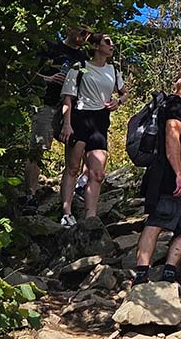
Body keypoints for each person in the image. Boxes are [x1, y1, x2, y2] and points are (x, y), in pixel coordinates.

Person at [132, 70, 181, 296]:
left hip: (179, 177)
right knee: (157, 221)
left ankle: (168, 275)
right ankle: (141, 276)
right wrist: (178, 173)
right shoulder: (175, 105)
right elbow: (171, 137)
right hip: (169, 175)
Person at [59, 33, 127, 227]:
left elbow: (125, 93)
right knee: (72, 168)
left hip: (100, 121)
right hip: (80, 118)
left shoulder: (113, 70)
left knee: (97, 173)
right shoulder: (80, 67)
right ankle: (66, 212)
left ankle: (91, 218)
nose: (111, 45)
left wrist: (118, 101)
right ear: (96, 46)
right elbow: (68, 99)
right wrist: (67, 123)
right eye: (107, 42)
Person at [24, 27, 90, 214]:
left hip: (72, 108)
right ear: (69, 29)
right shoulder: (51, 49)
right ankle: (30, 196)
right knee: (38, 149)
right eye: (82, 31)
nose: (84, 36)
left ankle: (72, 196)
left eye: (87, 33)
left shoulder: (82, 58)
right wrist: (49, 78)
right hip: (46, 103)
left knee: (80, 148)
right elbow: (29, 73)